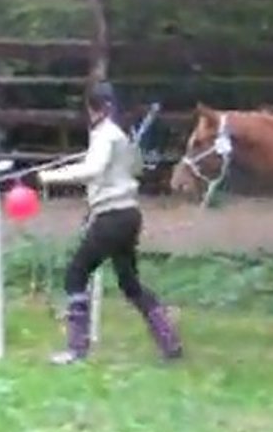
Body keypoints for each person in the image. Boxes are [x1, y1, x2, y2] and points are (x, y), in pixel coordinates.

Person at [37, 82, 182, 365]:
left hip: (113, 217)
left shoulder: (105, 135)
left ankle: (76, 350)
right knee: (130, 284)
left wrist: (49, 177)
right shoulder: (121, 136)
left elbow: (93, 170)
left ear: (93, 109)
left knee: (76, 274)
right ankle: (169, 342)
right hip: (127, 214)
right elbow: (135, 169)